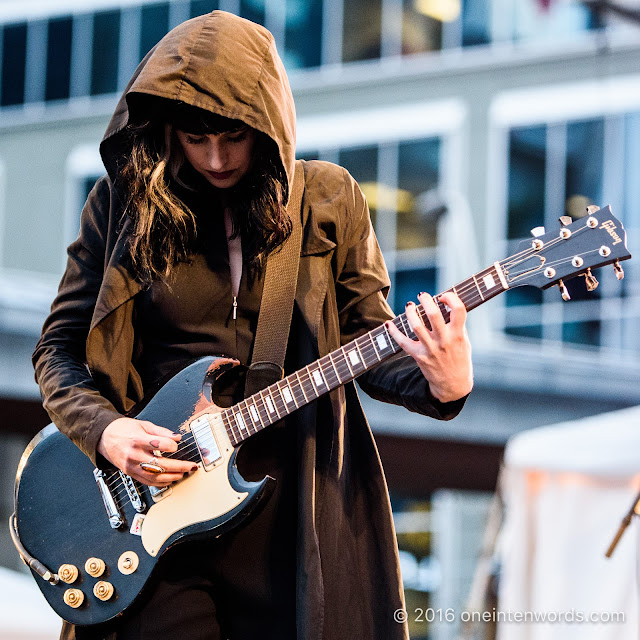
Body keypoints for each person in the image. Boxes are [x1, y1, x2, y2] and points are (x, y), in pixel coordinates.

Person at [32, 10, 473, 640]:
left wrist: (443, 382)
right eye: (195, 137)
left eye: (234, 137)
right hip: (154, 519)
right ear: (166, 131)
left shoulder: (328, 200)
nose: (215, 158)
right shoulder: (121, 207)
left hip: (292, 520)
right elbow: (58, 348)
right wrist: (106, 432)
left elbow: (370, 342)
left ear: (269, 123)